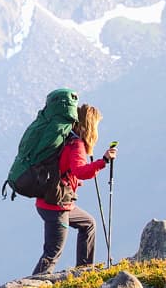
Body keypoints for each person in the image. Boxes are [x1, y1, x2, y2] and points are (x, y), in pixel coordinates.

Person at [32, 104, 116, 277]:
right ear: (90, 125)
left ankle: (83, 272)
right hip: (56, 206)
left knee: (88, 224)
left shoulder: (66, 139)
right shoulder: (76, 144)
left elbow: (65, 168)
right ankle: (30, 287)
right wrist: (104, 160)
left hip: (52, 201)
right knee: (52, 252)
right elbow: (81, 171)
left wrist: (72, 181)